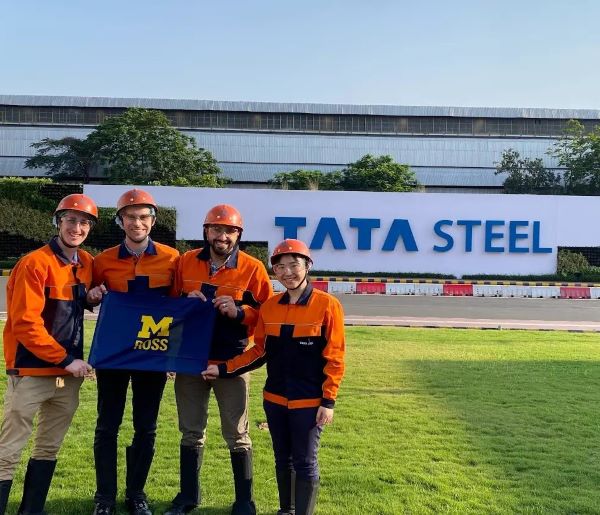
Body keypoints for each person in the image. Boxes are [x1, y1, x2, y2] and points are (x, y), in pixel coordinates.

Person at [202, 239, 346, 515]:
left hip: (309, 401)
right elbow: (258, 352)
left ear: (307, 267)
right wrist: (222, 368)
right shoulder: (269, 306)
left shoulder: (328, 305)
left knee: (305, 460)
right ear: (275, 272)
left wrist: (328, 401)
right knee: (283, 458)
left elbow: (335, 357)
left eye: (294, 265)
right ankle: (286, 509)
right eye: (280, 267)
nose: (288, 272)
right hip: (275, 399)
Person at [165, 204, 273, 515]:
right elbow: (167, 307)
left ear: (239, 234)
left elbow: (267, 314)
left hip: (233, 361)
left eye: (229, 231)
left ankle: (244, 501)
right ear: (206, 231)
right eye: (216, 229)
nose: (222, 236)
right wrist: (185, 302)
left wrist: (240, 312)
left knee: (237, 434)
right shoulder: (185, 262)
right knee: (191, 430)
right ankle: (187, 497)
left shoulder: (252, 268)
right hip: (192, 360)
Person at [0, 193, 103, 515]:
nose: (77, 227)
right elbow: (25, 323)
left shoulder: (86, 263)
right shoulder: (34, 263)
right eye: (71, 220)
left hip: (66, 377)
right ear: (58, 222)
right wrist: (65, 360)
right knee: (8, 451)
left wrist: (90, 298)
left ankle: (31, 510)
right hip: (32, 372)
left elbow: (69, 306)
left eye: (84, 222)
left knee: (48, 447)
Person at [91, 188, 179, 515]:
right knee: (107, 425)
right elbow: (89, 298)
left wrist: (173, 354)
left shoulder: (172, 259)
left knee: (146, 426)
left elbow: (178, 307)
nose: (137, 222)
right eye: (130, 216)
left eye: (143, 217)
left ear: (153, 221)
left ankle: (136, 493)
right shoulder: (103, 261)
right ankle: (104, 497)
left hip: (152, 352)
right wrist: (92, 297)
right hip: (113, 352)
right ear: (120, 220)